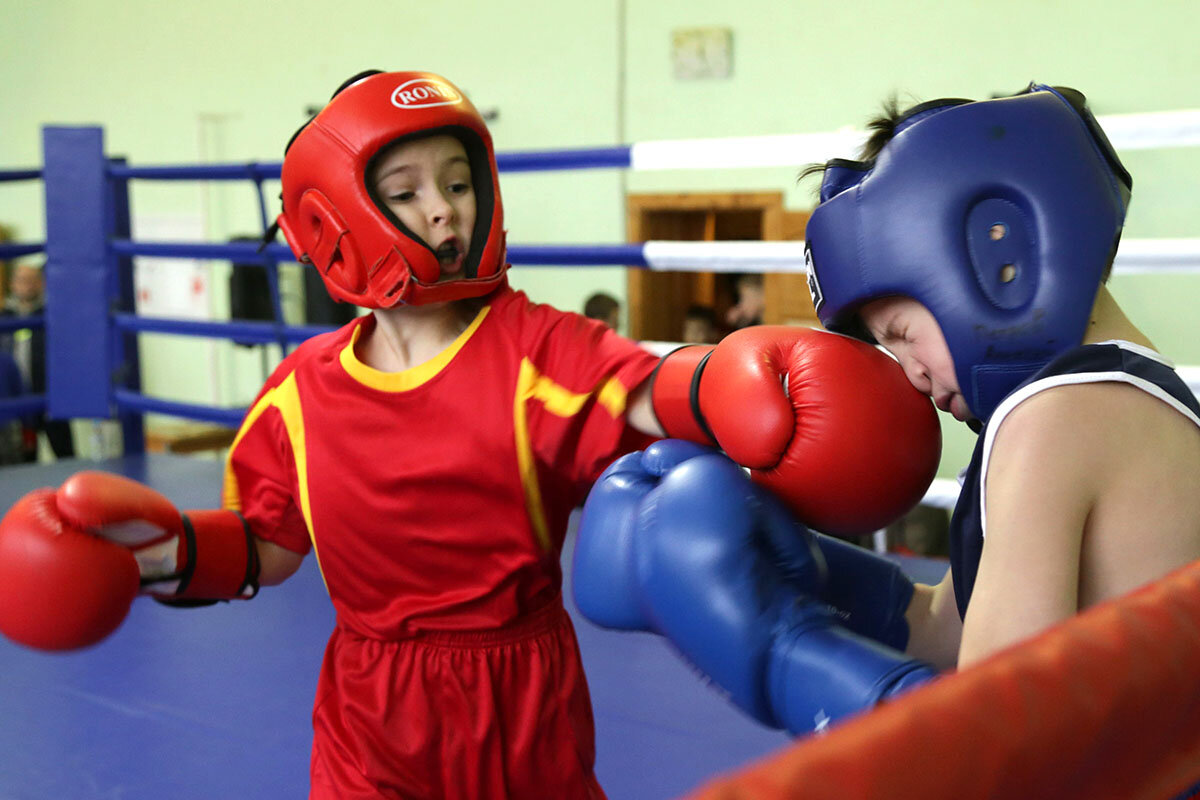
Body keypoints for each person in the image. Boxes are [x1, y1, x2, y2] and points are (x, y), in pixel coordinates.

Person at [0, 71, 940, 798]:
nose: (444, 209)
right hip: (371, 707)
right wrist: (159, 557)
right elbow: (270, 547)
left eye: (457, 181)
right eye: (406, 191)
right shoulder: (300, 395)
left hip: (520, 699)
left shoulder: (533, 350)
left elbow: (652, 395)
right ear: (331, 222)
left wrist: (747, 383)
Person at [573, 83, 1200, 737]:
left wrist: (780, 651)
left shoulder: (1056, 417)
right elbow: (943, 631)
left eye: (901, 330)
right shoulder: (1121, 393)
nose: (911, 373)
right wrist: (789, 571)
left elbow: (994, 737)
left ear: (997, 260)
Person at [1, 261, 75, 460]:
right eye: (22, 280)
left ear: (41, 283)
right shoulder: (5, 317)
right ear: (12, 284)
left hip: (50, 394)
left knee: (65, 453)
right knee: (25, 458)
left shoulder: (53, 315)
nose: (27, 285)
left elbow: (68, 352)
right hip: (17, 399)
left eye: (32, 280)